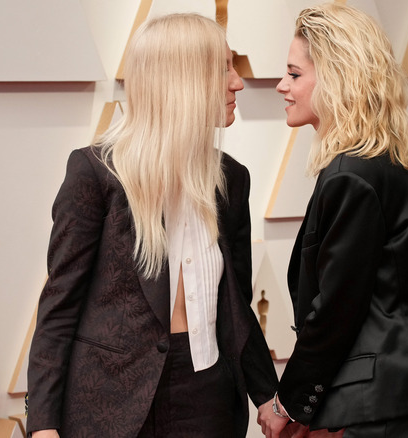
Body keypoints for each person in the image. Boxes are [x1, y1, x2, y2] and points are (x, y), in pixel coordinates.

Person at [26, 13, 278, 438]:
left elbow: (237, 308)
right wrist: (43, 425)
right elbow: (59, 308)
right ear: (182, 80)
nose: (237, 82)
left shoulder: (232, 179)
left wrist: (269, 396)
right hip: (111, 406)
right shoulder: (95, 173)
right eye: (223, 68)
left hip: (208, 400)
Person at [258, 4, 408, 437]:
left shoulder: (350, 175)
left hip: (387, 406)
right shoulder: (390, 159)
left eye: (295, 75)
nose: (282, 85)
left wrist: (287, 403)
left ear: (337, 78)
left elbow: (336, 310)